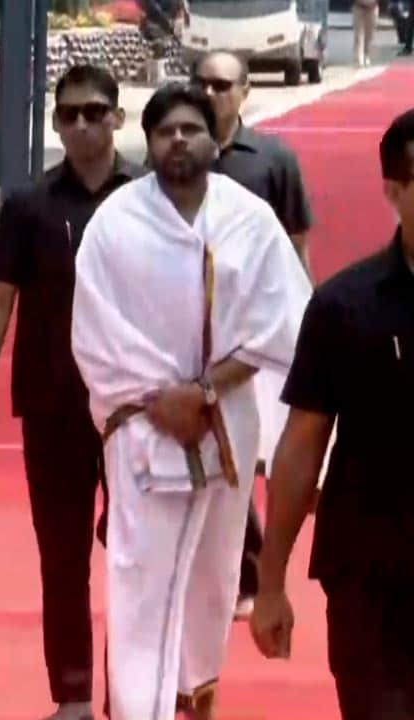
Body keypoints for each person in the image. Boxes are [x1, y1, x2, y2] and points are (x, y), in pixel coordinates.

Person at [71, 83, 311, 719]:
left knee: (213, 584)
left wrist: (206, 391)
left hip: (226, 423)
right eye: (166, 131)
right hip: (144, 431)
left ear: (215, 139)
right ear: (148, 144)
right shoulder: (115, 223)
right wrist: (162, 398)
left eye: (191, 129)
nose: (179, 139)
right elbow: (95, 333)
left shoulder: (248, 220)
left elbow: (280, 321)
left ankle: (195, 702)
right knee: (140, 583)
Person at [0, 64, 139, 720]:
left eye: (95, 111)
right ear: (56, 122)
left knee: (136, 557)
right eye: (69, 114)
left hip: (136, 411)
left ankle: (136, 691)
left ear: (118, 117)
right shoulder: (29, 205)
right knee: (62, 557)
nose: (82, 124)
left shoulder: (149, 198)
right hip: (53, 405)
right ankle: (71, 694)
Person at [251, 109, 414, 720]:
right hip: (370, 574)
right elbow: (301, 446)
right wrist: (270, 584)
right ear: (393, 191)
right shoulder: (345, 305)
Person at [191, 49, 314, 617]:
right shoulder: (174, 157)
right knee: (214, 446)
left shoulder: (271, 159)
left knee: (254, 450)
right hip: (192, 329)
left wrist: (304, 324)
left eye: (222, 85)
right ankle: (239, 566)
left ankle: (257, 562)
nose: (211, 93)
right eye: (203, 83)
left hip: (257, 332)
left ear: (244, 91)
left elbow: (295, 248)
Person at [353, 0, 379, 67]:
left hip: (372, 7)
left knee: (369, 35)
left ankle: (366, 55)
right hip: (358, 7)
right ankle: (359, 59)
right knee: (358, 35)